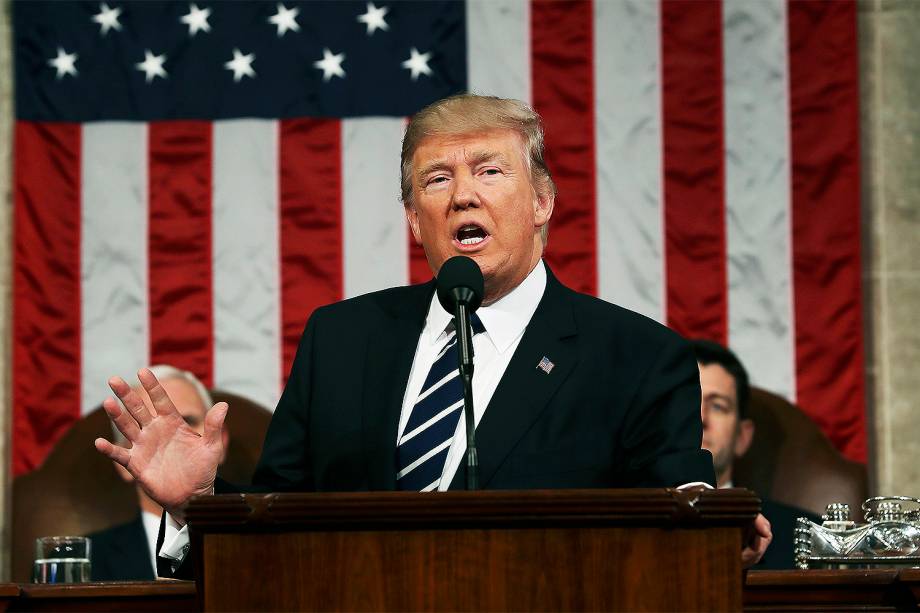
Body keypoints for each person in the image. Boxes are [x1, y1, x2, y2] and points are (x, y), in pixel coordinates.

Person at [94, 94, 769, 573]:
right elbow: (280, 527)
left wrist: (714, 526)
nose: (463, 196)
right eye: (437, 179)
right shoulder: (341, 338)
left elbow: (684, 508)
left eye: (490, 171)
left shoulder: (638, 357)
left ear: (541, 202)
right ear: (416, 219)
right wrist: (200, 502)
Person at [87, 365, 227, 581]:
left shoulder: (267, 544)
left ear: (222, 442)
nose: (177, 439)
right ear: (120, 462)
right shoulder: (83, 561)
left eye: (188, 421)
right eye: (150, 429)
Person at [693, 339, 817, 569]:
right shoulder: (621, 528)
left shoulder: (807, 541)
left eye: (718, 405)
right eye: (688, 401)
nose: (701, 418)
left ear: (742, 437)